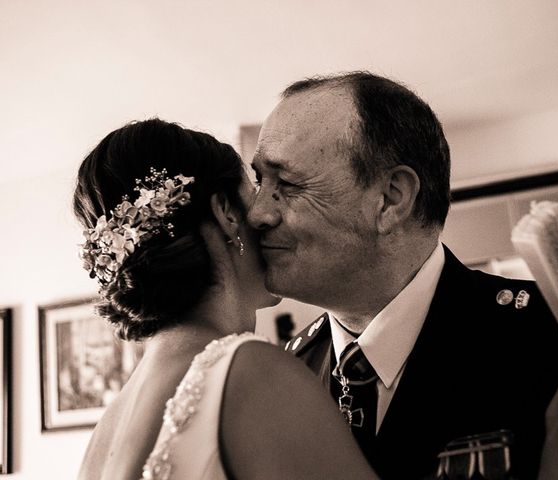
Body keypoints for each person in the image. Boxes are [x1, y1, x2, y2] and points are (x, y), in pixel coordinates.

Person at [247, 71, 558, 479]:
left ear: (390, 199)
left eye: (287, 183)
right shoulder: (292, 372)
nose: (257, 213)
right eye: (260, 181)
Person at [74, 119, 376, 479]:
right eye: (254, 191)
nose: (267, 215)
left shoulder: (108, 427)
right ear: (227, 213)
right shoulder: (249, 370)